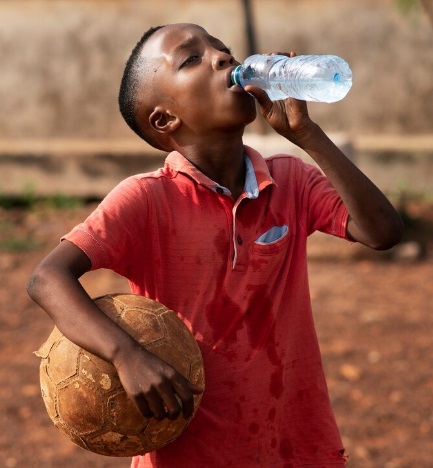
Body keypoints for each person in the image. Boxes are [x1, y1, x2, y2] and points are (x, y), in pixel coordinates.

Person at [28, 23, 403, 467]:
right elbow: (47, 278)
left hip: (298, 446)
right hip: (189, 453)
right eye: (192, 59)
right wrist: (125, 355)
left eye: (222, 49)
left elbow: (381, 233)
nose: (223, 58)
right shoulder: (146, 199)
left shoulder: (290, 180)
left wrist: (306, 135)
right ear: (165, 119)